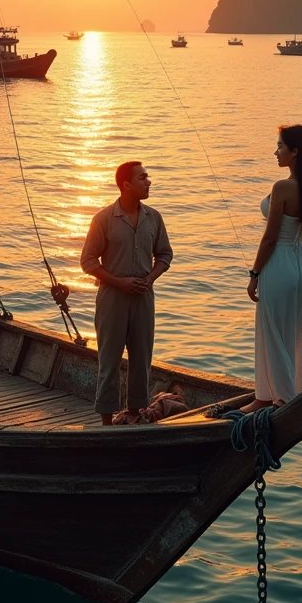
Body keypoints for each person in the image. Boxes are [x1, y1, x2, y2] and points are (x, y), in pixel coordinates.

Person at [242, 124, 302, 414]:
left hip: (279, 263)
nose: (275, 151)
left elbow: (270, 238)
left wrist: (254, 274)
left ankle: (277, 400)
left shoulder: (283, 187)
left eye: (280, 146)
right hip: (301, 265)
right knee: (293, 332)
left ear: (295, 152)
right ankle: (276, 396)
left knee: (271, 332)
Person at [81, 161, 173, 425]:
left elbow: (165, 254)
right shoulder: (104, 219)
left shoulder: (153, 217)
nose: (149, 181)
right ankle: (106, 421)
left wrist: (149, 279)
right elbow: (88, 261)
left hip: (143, 298)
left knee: (142, 358)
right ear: (126, 185)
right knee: (109, 359)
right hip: (113, 298)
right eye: (143, 177)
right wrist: (119, 282)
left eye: (148, 177)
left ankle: (135, 414)